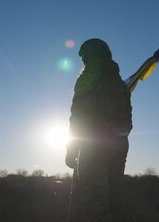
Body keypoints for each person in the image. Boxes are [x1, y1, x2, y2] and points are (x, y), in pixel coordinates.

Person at [66, 38, 133, 222]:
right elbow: (127, 121)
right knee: (115, 196)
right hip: (120, 145)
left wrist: (71, 151)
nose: (83, 61)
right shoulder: (120, 85)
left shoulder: (87, 80)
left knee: (93, 201)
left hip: (93, 147)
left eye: (84, 57)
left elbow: (77, 119)